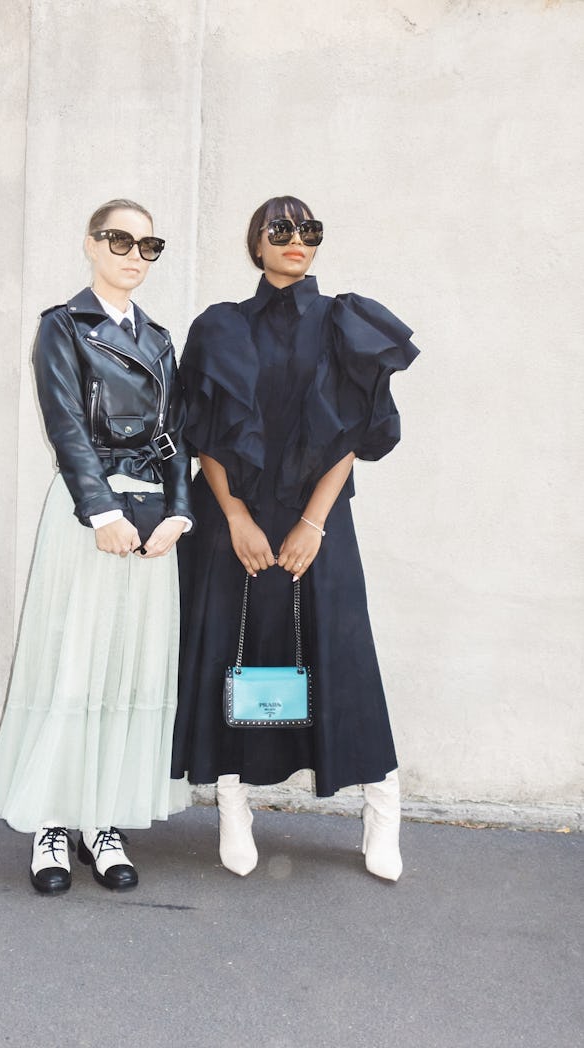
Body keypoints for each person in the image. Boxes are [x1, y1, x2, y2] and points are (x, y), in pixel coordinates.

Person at [171, 195, 419, 882]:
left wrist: (313, 521)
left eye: (309, 230)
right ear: (256, 242)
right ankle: (233, 802)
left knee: (343, 658)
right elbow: (205, 438)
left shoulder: (346, 322)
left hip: (321, 517)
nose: (297, 240)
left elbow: (351, 436)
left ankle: (382, 807)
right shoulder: (219, 326)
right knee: (235, 653)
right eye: (281, 230)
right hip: (235, 520)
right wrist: (237, 518)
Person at [0, 199, 193, 894]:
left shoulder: (160, 338)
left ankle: (102, 821)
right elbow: (67, 427)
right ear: (90, 245)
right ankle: (51, 822)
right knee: (71, 665)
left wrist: (178, 514)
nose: (135, 254)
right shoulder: (63, 327)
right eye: (120, 239)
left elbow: (176, 435)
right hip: (90, 513)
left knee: (127, 671)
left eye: (148, 244)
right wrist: (100, 510)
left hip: (152, 523)